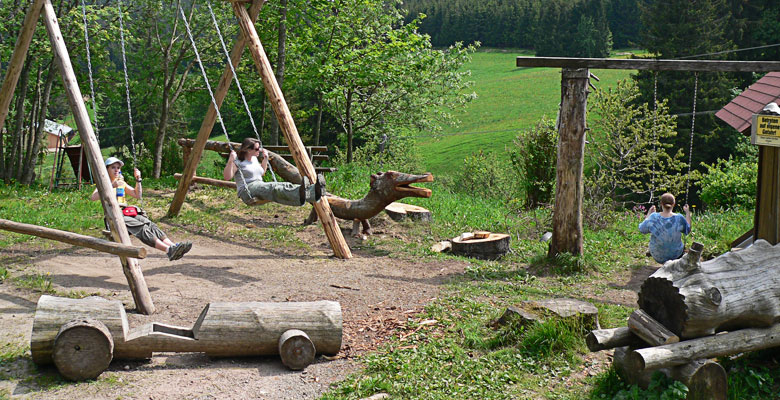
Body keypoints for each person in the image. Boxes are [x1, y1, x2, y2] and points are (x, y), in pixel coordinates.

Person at [91, 157, 191, 261]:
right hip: (113, 216)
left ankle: (173, 246)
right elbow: (93, 197)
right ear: (106, 169)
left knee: (149, 224)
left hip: (125, 212)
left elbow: (137, 195)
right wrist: (111, 186)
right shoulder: (103, 184)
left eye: (118, 167)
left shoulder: (121, 183)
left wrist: (138, 179)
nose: (116, 170)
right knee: (142, 227)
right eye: (113, 167)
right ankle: (168, 250)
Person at [223, 138, 323, 206]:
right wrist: (230, 160)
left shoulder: (253, 159)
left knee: (283, 185)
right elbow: (227, 177)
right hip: (247, 190)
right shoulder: (238, 162)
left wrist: (265, 159)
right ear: (248, 150)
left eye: (259, 148)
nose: (259, 150)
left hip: (259, 185)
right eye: (257, 149)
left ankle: (313, 192)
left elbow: (261, 173)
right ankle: (306, 193)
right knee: (274, 188)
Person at [638, 192, 692, 264]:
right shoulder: (679, 218)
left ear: (661, 204)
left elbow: (642, 229)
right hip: (675, 255)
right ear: (674, 204)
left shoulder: (654, 217)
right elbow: (688, 230)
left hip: (658, 255)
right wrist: (687, 212)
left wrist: (649, 214)